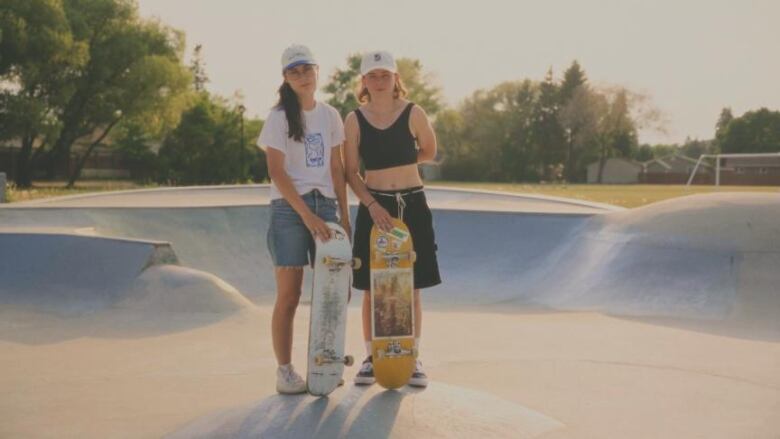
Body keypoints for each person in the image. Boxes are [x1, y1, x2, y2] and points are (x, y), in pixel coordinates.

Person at [343, 50, 441, 388]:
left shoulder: (413, 112)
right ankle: (373, 356)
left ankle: (411, 356)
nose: (380, 80)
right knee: (373, 288)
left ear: (395, 78)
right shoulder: (354, 119)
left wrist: (401, 159)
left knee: (411, 287)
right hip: (376, 208)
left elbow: (429, 150)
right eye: (373, 75)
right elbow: (350, 171)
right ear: (364, 81)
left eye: (385, 74)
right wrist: (371, 204)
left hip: (412, 204)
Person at [258, 44, 349, 394]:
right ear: (285, 78)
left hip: (326, 205)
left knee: (334, 290)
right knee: (290, 295)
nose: (302, 76)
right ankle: (284, 371)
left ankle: (326, 360)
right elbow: (276, 171)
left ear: (316, 71)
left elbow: (337, 167)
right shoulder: (279, 117)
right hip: (288, 208)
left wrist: (344, 214)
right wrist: (306, 215)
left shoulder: (330, 115)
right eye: (294, 72)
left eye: (307, 69)